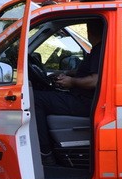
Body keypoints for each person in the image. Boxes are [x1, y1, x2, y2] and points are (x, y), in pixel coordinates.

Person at [33, 20, 103, 165]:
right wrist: (65, 73)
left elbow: (95, 80)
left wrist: (71, 82)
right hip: (85, 98)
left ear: (90, 31)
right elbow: (85, 71)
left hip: (86, 101)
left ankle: (45, 153)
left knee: (36, 99)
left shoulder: (100, 50)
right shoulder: (100, 49)